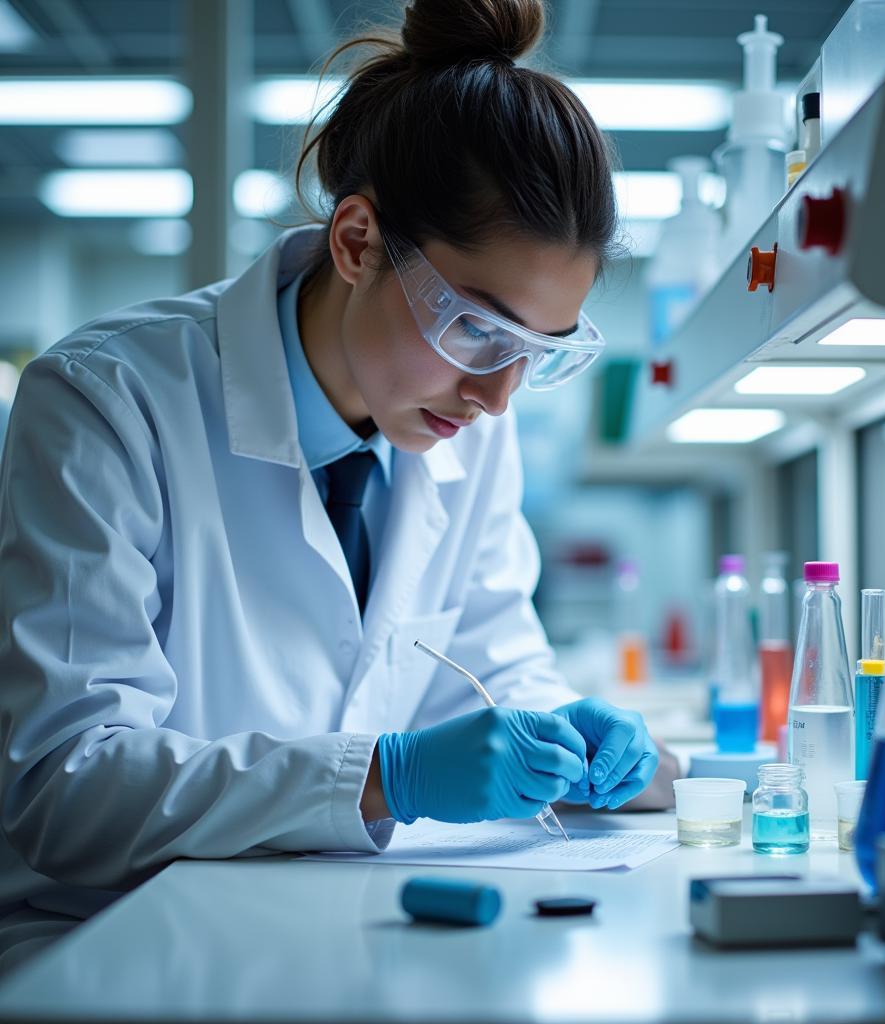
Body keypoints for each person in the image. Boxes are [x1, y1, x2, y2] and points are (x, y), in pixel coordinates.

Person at [0, 0, 667, 975]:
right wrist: (381, 776)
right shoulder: (107, 401)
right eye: (478, 327)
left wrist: (556, 727)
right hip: (110, 942)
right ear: (356, 242)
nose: (495, 394)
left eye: (536, 351)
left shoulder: (466, 426)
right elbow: (65, 784)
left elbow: (486, 655)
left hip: (331, 922)